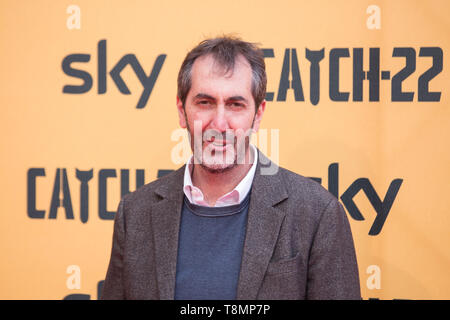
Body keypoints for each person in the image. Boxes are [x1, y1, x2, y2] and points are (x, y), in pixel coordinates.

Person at [101, 36, 361, 300]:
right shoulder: (134, 214)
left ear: (258, 115)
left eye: (236, 105)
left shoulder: (317, 214)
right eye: (205, 103)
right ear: (182, 111)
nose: (220, 123)